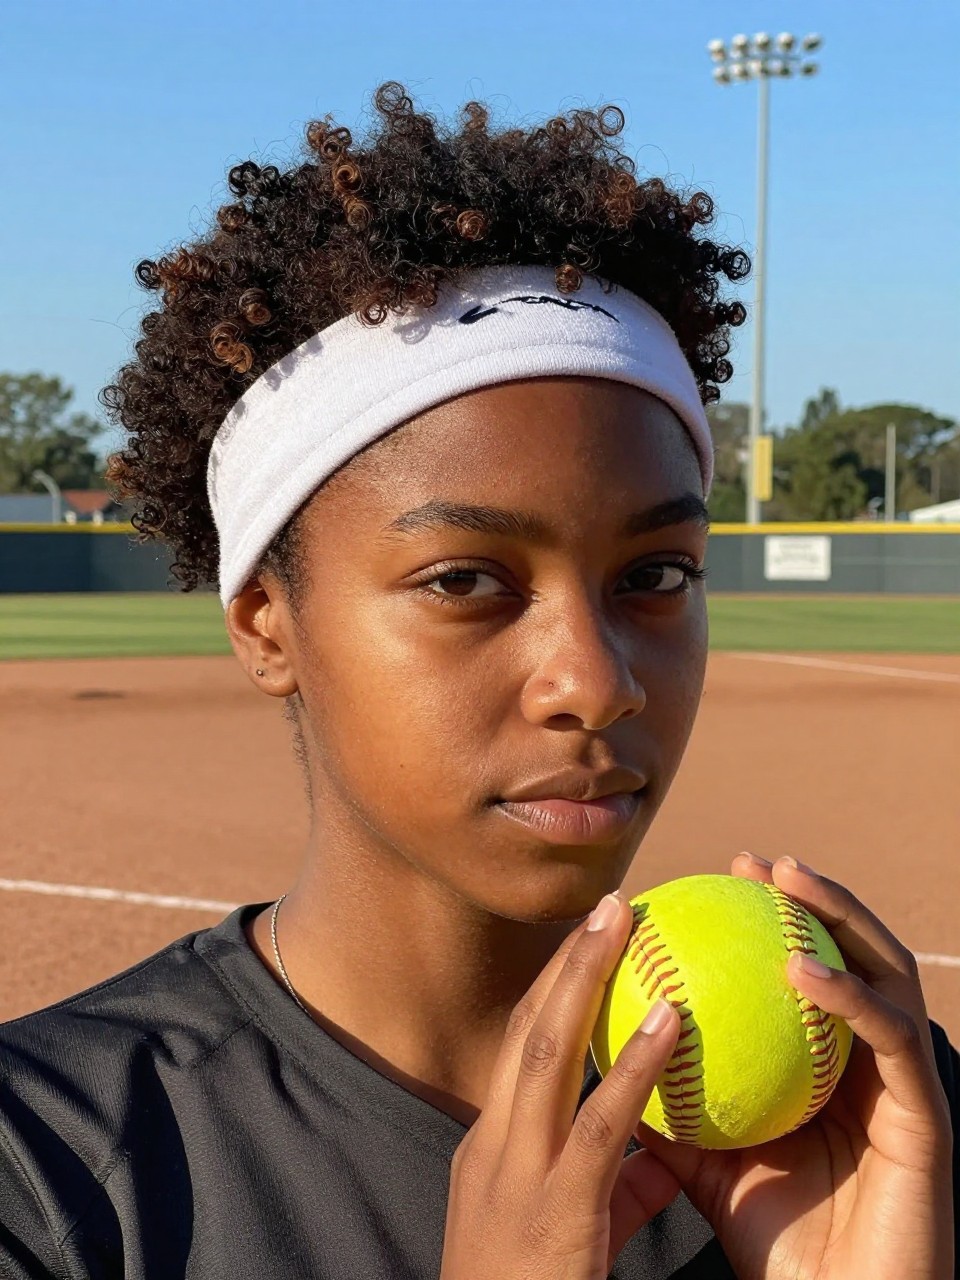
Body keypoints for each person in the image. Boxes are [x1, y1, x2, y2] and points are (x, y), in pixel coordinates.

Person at [0, 84, 955, 1279]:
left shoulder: (875, 1119)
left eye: (657, 570)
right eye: (464, 580)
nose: (595, 683)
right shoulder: (46, 1171)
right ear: (266, 624)